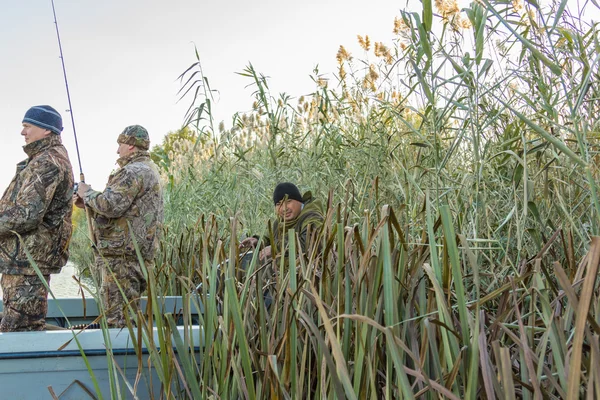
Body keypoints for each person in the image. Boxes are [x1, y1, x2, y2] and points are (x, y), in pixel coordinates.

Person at [74, 125, 163, 328]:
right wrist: (88, 204)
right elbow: (127, 211)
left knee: (119, 322)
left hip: (121, 260)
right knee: (127, 316)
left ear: (131, 145)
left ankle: (120, 360)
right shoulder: (149, 169)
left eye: (120, 144)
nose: (117, 150)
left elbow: (110, 205)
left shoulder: (132, 172)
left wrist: (86, 192)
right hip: (135, 257)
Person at [0, 105, 74, 332]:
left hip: (29, 261)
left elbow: (27, 215)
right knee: (21, 324)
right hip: (25, 259)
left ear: (46, 130)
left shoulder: (47, 162)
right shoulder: (43, 159)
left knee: (20, 330)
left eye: (27, 126)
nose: (23, 132)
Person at [240, 182, 325, 263]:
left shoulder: (313, 217)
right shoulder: (280, 221)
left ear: (299, 201)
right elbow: (270, 239)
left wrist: (275, 248)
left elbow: (308, 243)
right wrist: (258, 241)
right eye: (279, 204)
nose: (284, 208)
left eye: (288, 202)